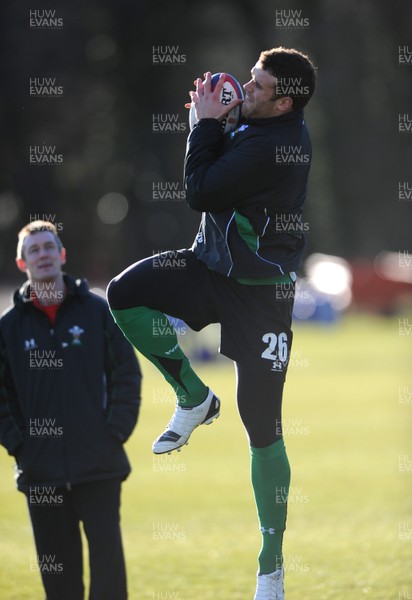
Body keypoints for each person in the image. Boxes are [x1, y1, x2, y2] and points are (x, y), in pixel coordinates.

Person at [107, 47, 316, 600]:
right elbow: (213, 156)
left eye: (257, 86)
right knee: (124, 295)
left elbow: (200, 189)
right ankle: (193, 397)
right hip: (209, 266)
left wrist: (202, 125)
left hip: (261, 294)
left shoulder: (279, 146)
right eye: (249, 79)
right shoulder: (260, 119)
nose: (246, 89)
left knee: (261, 425)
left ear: (285, 102)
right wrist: (208, 116)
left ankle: (270, 566)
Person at [0, 221, 142, 600]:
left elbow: (126, 374)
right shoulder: (9, 328)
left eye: (49, 247)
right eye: (35, 250)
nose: (43, 254)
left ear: (62, 255)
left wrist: (114, 432)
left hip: (99, 466)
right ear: (22, 262)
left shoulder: (97, 311)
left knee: (108, 573)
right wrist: (20, 445)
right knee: (58, 579)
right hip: (40, 472)